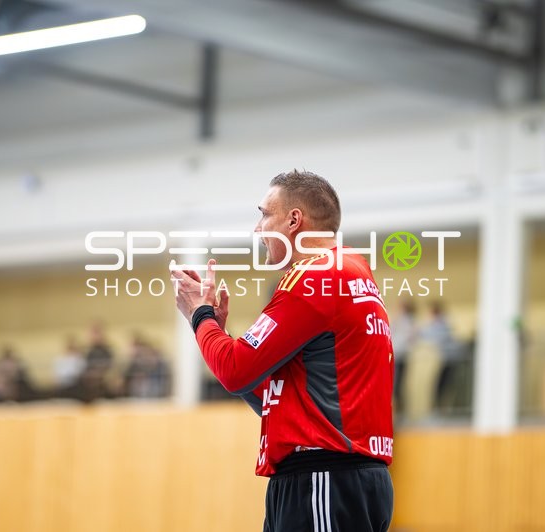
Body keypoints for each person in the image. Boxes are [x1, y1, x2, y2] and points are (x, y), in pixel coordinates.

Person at [171, 170, 394, 532]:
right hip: (335, 476)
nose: (258, 230)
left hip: (322, 478)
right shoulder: (350, 269)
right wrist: (217, 333)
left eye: (264, 215)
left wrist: (200, 315)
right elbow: (276, 400)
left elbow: (234, 370)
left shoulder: (316, 276)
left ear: (294, 220)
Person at [421, 301, 464, 414]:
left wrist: (419, 333)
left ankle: (443, 410)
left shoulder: (442, 322)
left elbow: (434, 335)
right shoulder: (439, 322)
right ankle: (442, 409)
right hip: (448, 358)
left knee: (443, 385)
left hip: (452, 358)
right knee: (441, 385)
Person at [389, 300, 419, 417]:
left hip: (400, 356)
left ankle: (399, 412)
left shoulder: (408, 321)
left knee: (398, 386)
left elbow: (407, 339)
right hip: (399, 355)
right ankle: (397, 412)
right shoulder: (402, 321)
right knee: (397, 386)